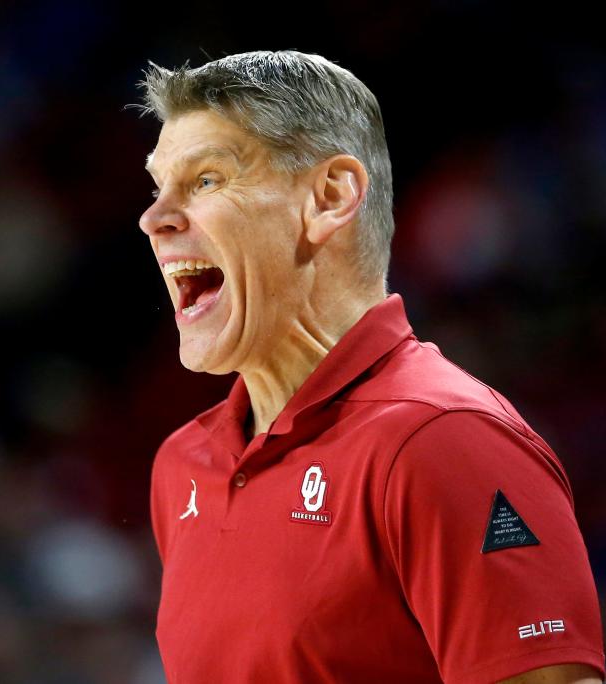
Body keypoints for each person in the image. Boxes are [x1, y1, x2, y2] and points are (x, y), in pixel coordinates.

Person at [136, 50, 604, 684]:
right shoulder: (182, 467)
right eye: (158, 186)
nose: (153, 218)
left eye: (208, 180)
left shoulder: (445, 440)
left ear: (330, 197)